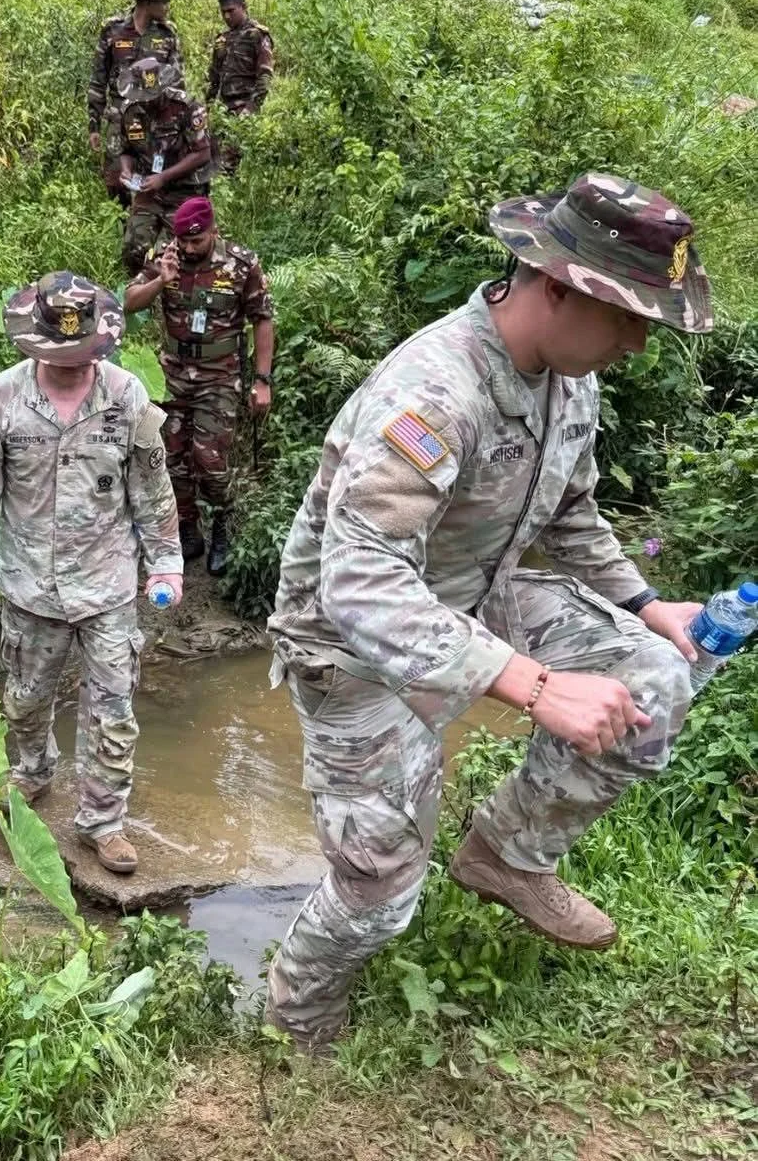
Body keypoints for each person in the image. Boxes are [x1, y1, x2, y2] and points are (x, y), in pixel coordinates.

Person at [263, 172, 713, 1053]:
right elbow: (360, 584)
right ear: (556, 287)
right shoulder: (435, 392)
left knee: (657, 675)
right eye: (626, 317)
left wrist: (646, 603)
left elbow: (572, 511)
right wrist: (536, 685)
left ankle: (507, 854)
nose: (636, 343)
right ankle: (298, 1016)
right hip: (350, 644)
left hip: (473, 590)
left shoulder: (569, 378)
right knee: (379, 887)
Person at [0, 272, 183, 876]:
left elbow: (153, 492)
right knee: (25, 703)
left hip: (107, 586)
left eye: (83, 354)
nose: (74, 365)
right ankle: (33, 772)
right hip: (30, 587)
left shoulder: (126, 396)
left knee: (113, 711)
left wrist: (167, 564)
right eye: (61, 354)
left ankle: (103, 821)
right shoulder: (3, 398)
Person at [124, 196, 275, 575]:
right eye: (184, 241)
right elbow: (129, 302)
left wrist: (262, 380)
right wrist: (161, 280)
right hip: (173, 374)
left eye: (197, 241)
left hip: (219, 376)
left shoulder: (241, 264)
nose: (189, 249)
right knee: (171, 457)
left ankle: (223, 521)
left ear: (214, 231)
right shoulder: (165, 257)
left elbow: (262, 318)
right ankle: (188, 529)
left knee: (209, 460)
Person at [87, 0, 184, 206]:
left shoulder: (167, 34)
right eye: (163, 1)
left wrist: (178, 124)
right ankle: (122, 223)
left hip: (154, 122)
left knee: (153, 182)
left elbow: (177, 82)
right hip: (119, 121)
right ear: (148, 2)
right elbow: (98, 78)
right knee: (116, 183)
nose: (167, 6)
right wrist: (94, 125)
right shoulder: (113, 30)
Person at [118, 56, 212, 275]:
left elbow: (203, 153)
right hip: (148, 190)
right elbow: (126, 149)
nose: (147, 102)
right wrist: (126, 170)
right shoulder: (130, 111)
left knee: (178, 251)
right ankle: (139, 289)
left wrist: (164, 177)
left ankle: (172, 288)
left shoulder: (187, 107)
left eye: (152, 96)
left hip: (184, 191)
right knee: (134, 249)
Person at [205, 0, 274, 174]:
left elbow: (265, 76)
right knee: (209, 161)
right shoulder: (222, 39)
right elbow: (214, 78)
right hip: (222, 111)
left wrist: (251, 108)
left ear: (243, 7)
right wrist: (208, 108)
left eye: (231, 11)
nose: (227, 16)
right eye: (223, 12)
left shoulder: (257, 35)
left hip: (243, 109)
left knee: (227, 166)